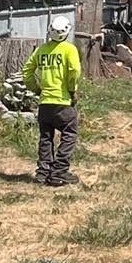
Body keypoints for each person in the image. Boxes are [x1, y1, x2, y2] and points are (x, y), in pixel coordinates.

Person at [22, 14, 81, 187]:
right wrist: (72, 89)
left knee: (46, 137)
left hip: (45, 102)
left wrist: (36, 88)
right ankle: (59, 172)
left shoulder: (41, 50)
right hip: (63, 102)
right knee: (69, 134)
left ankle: (43, 172)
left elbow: (27, 71)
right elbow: (75, 71)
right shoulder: (69, 49)